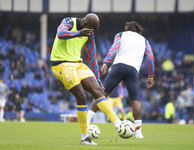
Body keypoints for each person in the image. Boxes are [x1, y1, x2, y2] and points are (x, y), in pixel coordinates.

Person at [50, 13, 121, 145]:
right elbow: (60, 34)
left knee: (98, 91)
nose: (91, 32)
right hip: (61, 63)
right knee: (81, 96)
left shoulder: (89, 34)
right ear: (84, 24)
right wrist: (79, 33)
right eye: (91, 29)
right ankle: (84, 138)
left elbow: (93, 57)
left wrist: (98, 79)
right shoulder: (68, 22)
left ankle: (119, 125)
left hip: (77, 63)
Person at [87, 21, 155, 139]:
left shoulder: (121, 35)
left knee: (101, 95)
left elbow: (114, 48)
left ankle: (86, 122)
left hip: (118, 67)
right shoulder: (145, 41)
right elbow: (150, 58)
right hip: (133, 71)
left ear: (127, 27)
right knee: (135, 101)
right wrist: (151, 76)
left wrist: (106, 62)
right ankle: (138, 133)